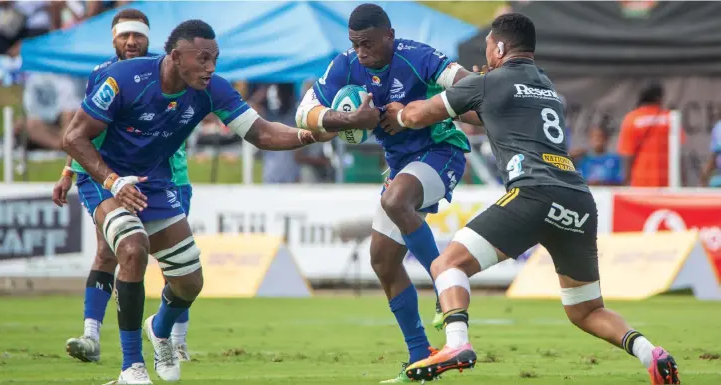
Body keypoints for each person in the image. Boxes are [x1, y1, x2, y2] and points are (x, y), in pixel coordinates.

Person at [389, 13, 680, 385]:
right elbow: (495, 114)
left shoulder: (488, 81)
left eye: (489, 50)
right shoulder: (546, 87)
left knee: (448, 264)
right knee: (586, 310)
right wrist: (480, 88)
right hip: (577, 198)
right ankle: (650, 353)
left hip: (533, 193)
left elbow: (417, 116)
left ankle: (456, 343)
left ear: (498, 47)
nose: (488, 58)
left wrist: (399, 112)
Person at [61, 19, 334, 384]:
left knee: (190, 282)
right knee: (131, 248)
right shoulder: (123, 79)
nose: (211, 68)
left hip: (154, 181)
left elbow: (262, 132)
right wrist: (111, 180)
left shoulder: (211, 90)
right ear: (175, 56)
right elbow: (73, 137)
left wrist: (310, 134)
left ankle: (159, 328)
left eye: (215, 59)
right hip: (104, 178)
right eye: (202, 59)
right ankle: (132, 368)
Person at [295, 4, 478, 382]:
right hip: (400, 166)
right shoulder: (345, 65)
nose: (362, 52)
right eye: (355, 44)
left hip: (441, 151)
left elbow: (464, 85)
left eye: (368, 44)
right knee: (382, 260)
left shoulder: (418, 57)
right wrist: (347, 120)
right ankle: (420, 357)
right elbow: (304, 113)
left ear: (389, 35)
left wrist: (415, 110)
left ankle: (446, 288)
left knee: (394, 200)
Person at [52, 9, 193, 364]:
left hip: (171, 177)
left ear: (150, 39)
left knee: (174, 260)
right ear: (113, 39)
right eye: (124, 36)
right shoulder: (103, 76)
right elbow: (83, 129)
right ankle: (92, 335)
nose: (131, 42)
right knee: (110, 250)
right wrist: (68, 172)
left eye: (138, 36)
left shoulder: (172, 71)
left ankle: (176, 341)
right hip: (115, 178)